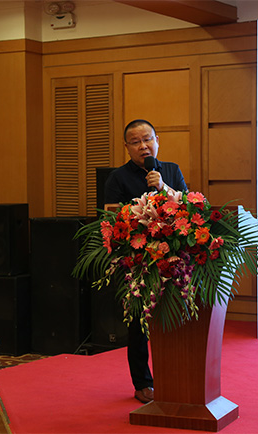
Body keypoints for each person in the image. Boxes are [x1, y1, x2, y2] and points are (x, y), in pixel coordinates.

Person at [104, 119, 188, 404]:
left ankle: (177, 376)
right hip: (137, 261)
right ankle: (142, 383)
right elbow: (111, 220)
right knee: (139, 324)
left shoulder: (171, 171)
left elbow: (189, 209)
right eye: (136, 142)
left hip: (173, 257)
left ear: (157, 140)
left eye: (147, 139)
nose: (143, 146)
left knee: (174, 318)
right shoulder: (117, 178)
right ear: (126, 147)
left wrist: (163, 187)